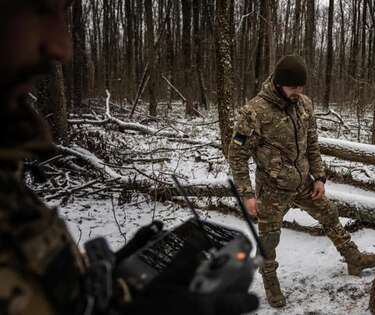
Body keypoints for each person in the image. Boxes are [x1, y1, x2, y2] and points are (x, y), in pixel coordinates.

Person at [0, 1, 257, 314]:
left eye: (62, 15)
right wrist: (246, 191)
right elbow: (238, 150)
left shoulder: (9, 179)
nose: (62, 48)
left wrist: (115, 289)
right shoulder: (254, 113)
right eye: (39, 10)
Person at [229, 55, 375, 308]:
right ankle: (271, 283)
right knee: (269, 239)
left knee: (330, 215)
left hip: (304, 183)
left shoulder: (304, 105)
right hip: (272, 189)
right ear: (279, 84)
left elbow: (312, 144)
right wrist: (247, 194)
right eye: (293, 87)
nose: (298, 92)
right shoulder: (253, 112)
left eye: (301, 87)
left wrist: (320, 177)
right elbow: (237, 155)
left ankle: (354, 258)